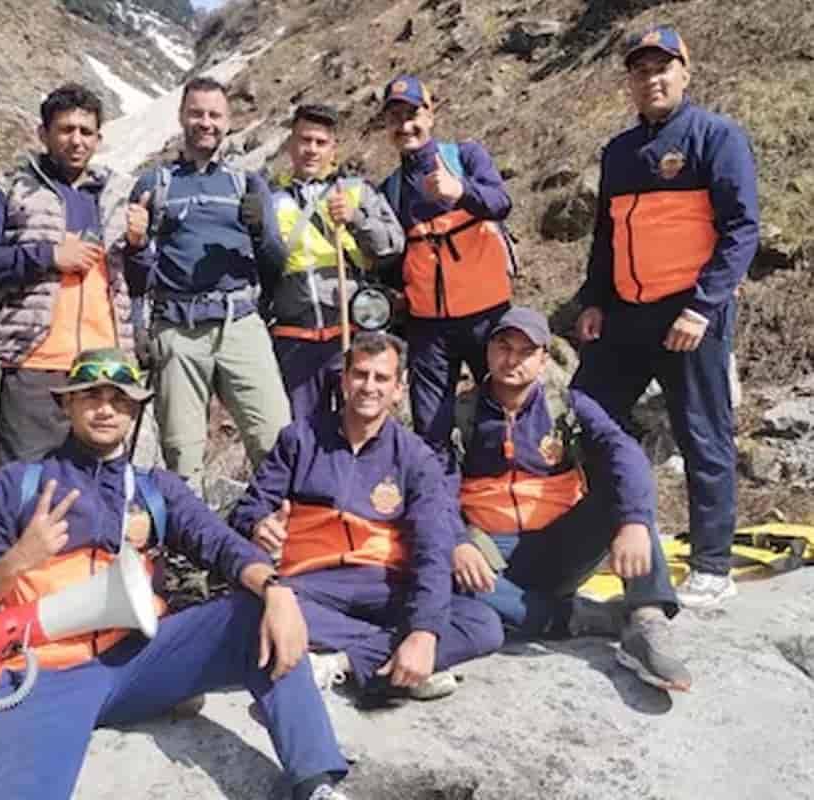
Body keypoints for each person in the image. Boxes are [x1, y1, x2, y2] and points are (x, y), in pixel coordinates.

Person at [0, 348, 352, 800]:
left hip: (137, 663)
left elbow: (219, 542)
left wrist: (276, 590)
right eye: (90, 396)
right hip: (42, 676)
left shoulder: (154, 488)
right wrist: (15, 562)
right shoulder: (16, 486)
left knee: (257, 610)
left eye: (120, 398)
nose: (106, 408)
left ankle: (315, 784)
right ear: (66, 404)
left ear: (136, 408)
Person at [571, 26, 759, 609]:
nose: (651, 79)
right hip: (627, 312)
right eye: (640, 69)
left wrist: (704, 306)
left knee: (703, 434)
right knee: (585, 414)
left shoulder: (716, 137)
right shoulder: (619, 152)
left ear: (685, 71)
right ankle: (607, 535)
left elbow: (741, 229)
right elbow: (607, 234)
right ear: (629, 81)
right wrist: (594, 300)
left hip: (689, 317)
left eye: (662, 67)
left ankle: (711, 565)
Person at [229, 332, 502, 702]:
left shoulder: (416, 457)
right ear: (343, 379)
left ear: (400, 388)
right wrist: (259, 524)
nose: (368, 387)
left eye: (381, 378)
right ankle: (399, 668)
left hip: (385, 585)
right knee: (254, 607)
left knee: (481, 624)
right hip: (313, 584)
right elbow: (248, 509)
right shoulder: (299, 439)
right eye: (360, 374)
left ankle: (339, 665)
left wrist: (423, 632)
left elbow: (433, 547)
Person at [451, 307, 689, 690]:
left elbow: (622, 451)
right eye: (503, 347)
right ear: (489, 351)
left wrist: (634, 522)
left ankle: (646, 619)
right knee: (439, 573)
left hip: (559, 546)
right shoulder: (459, 413)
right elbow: (432, 487)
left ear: (543, 358)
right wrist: (457, 542)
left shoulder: (567, 406)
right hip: (490, 557)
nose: (511, 360)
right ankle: (578, 618)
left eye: (525, 351)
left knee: (622, 492)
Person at [124, 76, 292, 494]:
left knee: (275, 439)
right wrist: (137, 244)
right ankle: (189, 546)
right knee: (182, 452)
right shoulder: (154, 184)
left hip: (240, 325)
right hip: (177, 330)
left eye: (214, 115)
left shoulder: (247, 184)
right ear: (182, 116)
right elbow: (135, 276)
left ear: (228, 121)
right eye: (196, 113)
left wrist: (261, 232)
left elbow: (276, 264)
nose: (205, 122)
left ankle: (282, 537)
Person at [0, 83, 138, 473]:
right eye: (66, 129)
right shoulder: (11, 188)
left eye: (86, 132)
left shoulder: (116, 195)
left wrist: (140, 246)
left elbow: (140, 282)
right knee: (21, 487)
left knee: (97, 492)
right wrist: (49, 256)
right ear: (44, 134)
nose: (77, 140)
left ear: (98, 139)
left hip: (101, 371)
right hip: (35, 364)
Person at [376, 75, 517, 465]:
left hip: (487, 319)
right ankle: (443, 512)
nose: (405, 125)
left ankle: (506, 503)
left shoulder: (466, 157)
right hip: (428, 329)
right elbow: (390, 261)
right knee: (430, 430)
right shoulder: (390, 189)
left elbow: (501, 203)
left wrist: (460, 192)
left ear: (431, 114)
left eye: (413, 114)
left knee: (503, 417)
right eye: (395, 118)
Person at [262, 103, 404, 419]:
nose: (312, 150)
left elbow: (392, 245)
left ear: (333, 148)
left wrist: (356, 219)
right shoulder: (270, 202)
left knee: (359, 424)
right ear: (290, 145)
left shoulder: (356, 191)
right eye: (304, 140)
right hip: (295, 341)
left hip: (353, 336)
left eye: (320, 142)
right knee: (303, 432)